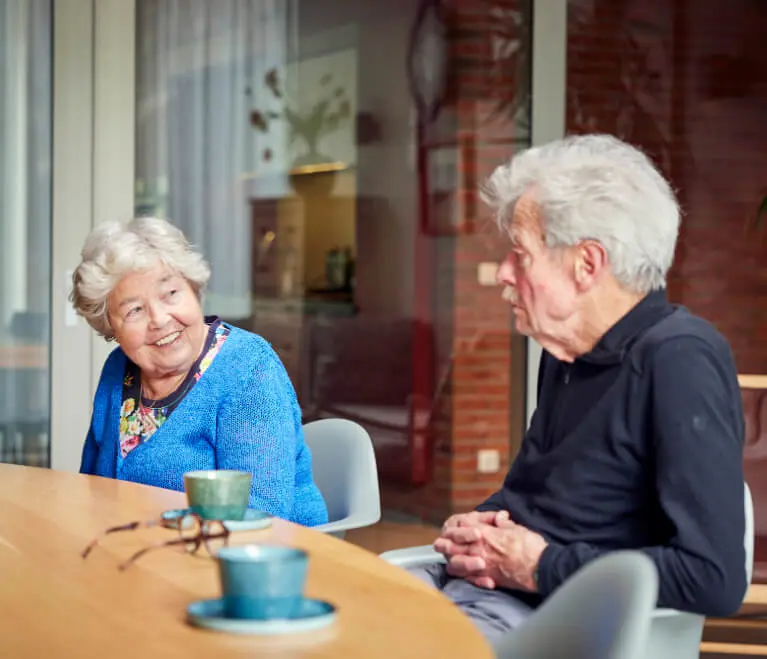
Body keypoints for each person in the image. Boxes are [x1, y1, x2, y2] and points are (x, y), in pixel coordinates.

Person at [411, 134, 747, 645]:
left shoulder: (680, 360)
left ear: (587, 264)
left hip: (552, 623)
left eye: (520, 255)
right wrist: (480, 524)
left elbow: (712, 578)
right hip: (483, 593)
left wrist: (539, 565)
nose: (502, 273)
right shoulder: (568, 351)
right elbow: (547, 498)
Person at [71, 217, 328, 527]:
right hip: (141, 556)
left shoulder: (248, 369)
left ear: (193, 289)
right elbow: (90, 491)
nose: (160, 319)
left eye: (170, 294)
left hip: (259, 560)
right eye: (134, 310)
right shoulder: (118, 368)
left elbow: (259, 515)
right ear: (110, 325)